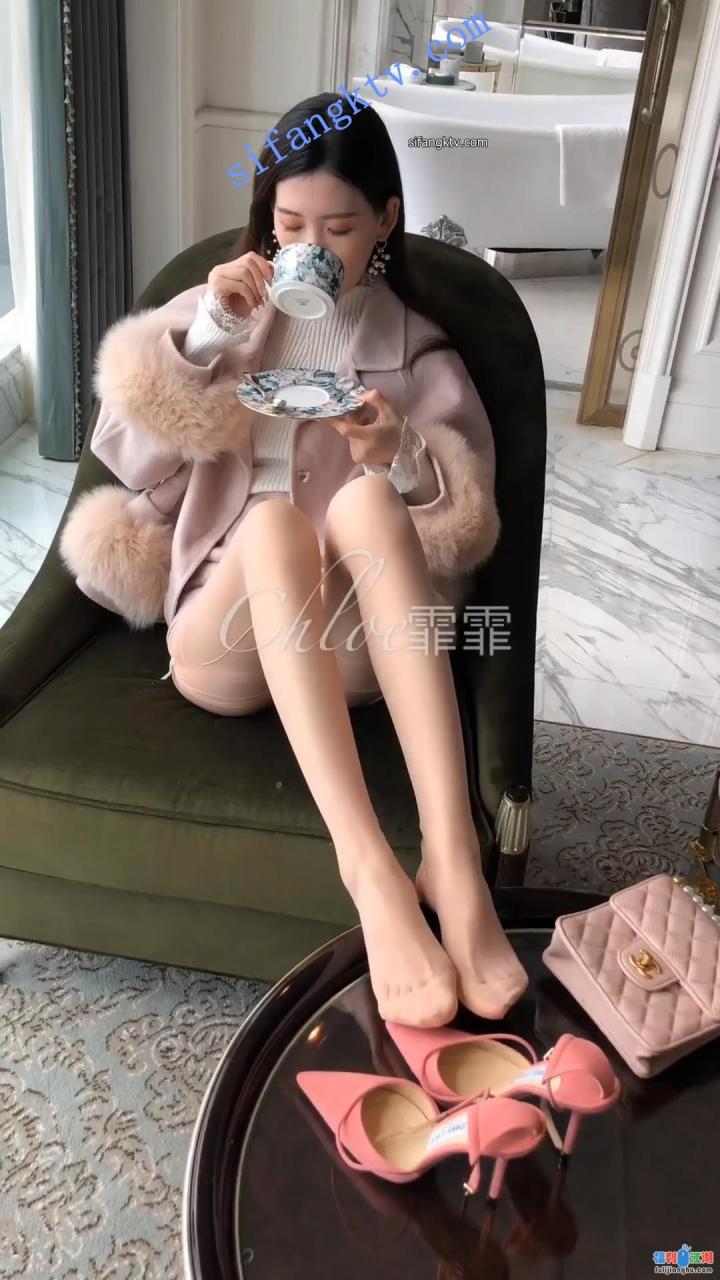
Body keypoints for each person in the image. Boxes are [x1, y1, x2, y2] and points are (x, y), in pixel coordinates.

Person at [60, 91, 528, 1030]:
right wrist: (210, 334)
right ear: (267, 218)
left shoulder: (418, 348)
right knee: (274, 526)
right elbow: (126, 452)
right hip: (226, 633)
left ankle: (452, 859)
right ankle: (371, 871)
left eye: (339, 228)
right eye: (290, 224)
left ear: (386, 221)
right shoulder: (221, 314)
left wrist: (401, 452)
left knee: (366, 500)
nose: (312, 245)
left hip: (354, 644)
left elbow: (469, 532)